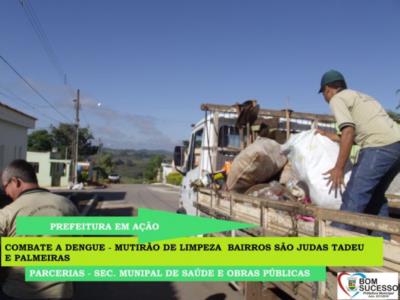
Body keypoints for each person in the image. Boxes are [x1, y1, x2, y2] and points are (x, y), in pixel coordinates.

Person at [317, 69, 400, 240]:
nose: (325, 98)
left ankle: (333, 246)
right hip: (396, 148)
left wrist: (339, 168)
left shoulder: (337, 99)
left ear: (328, 89)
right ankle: (382, 244)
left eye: (324, 94)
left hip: (379, 147)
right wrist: (330, 136)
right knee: (375, 197)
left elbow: (348, 132)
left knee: (354, 196)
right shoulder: (362, 97)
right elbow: (357, 133)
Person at [0, 159, 79, 299]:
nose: (5, 193)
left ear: (16, 182)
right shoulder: (68, 205)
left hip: (17, 293)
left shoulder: (8, 212)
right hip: (61, 294)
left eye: (5, 186)